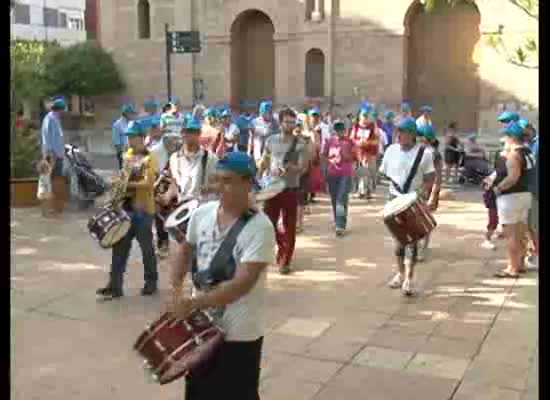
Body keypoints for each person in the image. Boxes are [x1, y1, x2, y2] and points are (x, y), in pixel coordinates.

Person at [168, 151, 275, 400]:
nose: (218, 187)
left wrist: (193, 303)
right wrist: (175, 290)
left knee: (238, 394)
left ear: (247, 183)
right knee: (197, 390)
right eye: (216, 179)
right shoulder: (202, 213)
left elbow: (242, 284)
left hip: (239, 332)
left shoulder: (261, 227)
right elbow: (185, 249)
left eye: (227, 180)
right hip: (200, 327)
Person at [96, 121, 159, 299]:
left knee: (146, 248)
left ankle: (151, 283)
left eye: (133, 137)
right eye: (128, 137)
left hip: (143, 210)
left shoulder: (150, 157)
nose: (130, 140)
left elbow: (148, 183)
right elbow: (122, 176)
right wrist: (116, 189)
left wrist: (125, 183)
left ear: (141, 137)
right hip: (126, 209)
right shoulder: (127, 155)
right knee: (119, 248)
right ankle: (115, 286)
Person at [380, 117, 435, 296]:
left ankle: (409, 278)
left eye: (402, 131)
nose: (399, 135)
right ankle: (400, 273)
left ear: (412, 135)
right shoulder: (391, 150)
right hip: (394, 198)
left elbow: (430, 179)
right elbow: (385, 174)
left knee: (411, 241)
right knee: (398, 242)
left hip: (412, 200)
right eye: (398, 131)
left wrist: (423, 197)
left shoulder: (424, 154)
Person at [257, 108, 306, 274]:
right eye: (286, 121)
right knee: (268, 224)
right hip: (271, 188)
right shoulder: (271, 140)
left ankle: (286, 259)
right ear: (280, 122)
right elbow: (265, 160)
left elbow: (302, 167)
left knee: (289, 225)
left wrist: (290, 168)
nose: (290, 125)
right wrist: (257, 175)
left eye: (292, 122)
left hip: (290, 188)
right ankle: (282, 247)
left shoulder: (300, 143)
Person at [492, 122, 535, 278]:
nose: (503, 138)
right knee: (521, 233)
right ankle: (520, 264)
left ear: (511, 137)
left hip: (511, 198)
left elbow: (512, 177)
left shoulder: (514, 155)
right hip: (525, 195)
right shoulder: (527, 151)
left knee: (511, 235)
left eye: (505, 135)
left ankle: (512, 267)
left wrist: (498, 188)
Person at [158, 119, 219, 208]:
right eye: (186, 131)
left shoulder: (211, 158)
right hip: (182, 210)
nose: (189, 135)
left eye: (193, 132)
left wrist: (209, 188)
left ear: (199, 133)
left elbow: (221, 184)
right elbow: (175, 184)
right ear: (182, 133)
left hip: (203, 209)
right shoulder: (174, 158)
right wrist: (166, 197)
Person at [150, 129, 182, 258]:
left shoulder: (179, 151)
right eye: (172, 143)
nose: (174, 146)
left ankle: (183, 246)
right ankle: (163, 245)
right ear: (165, 142)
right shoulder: (155, 152)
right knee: (160, 218)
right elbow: (154, 173)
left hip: (177, 187)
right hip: (160, 187)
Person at [322, 120, 355, 236]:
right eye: (337, 129)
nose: (339, 131)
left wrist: (348, 156)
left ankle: (340, 225)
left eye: (341, 129)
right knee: (334, 198)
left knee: (341, 198)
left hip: (345, 173)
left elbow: (355, 155)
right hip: (332, 173)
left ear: (344, 130)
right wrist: (325, 170)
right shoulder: (329, 141)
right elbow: (324, 155)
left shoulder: (349, 141)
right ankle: (337, 221)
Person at [417, 124, 442, 261]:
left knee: (424, 220)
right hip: (417, 190)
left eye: (421, 136)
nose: (419, 138)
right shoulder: (417, 151)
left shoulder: (434, 154)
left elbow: (438, 177)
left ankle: (423, 248)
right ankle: (418, 246)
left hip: (428, 191)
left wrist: (433, 195)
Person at [40, 97, 67, 214]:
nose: (63, 112)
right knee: (48, 180)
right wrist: (50, 153)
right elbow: (46, 137)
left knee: (56, 180)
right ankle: (46, 208)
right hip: (52, 155)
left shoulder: (56, 118)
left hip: (58, 155)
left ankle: (55, 206)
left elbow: (58, 137)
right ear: (59, 109)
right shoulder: (50, 118)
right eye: (63, 110)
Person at [519, 119, 538, 270]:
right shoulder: (530, 145)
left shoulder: (535, 145)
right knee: (529, 225)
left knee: (533, 225)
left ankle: (535, 254)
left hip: (534, 190)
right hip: (529, 189)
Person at [351, 108, 380, 199]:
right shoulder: (355, 126)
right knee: (359, 172)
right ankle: (361, 191)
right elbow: (351, 139)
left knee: (368, 172)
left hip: (369, 153)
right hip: (358, 153)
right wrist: (357, 142)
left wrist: (368, 142)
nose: (365, 117)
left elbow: (377, 141)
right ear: (359, 116)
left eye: (366, 115)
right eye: (363, 115)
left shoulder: (372, 126)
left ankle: (366, 191)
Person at [250, 101, 281, 166]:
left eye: (269, 112)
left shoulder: (276, 122)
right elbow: (252, 138)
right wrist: (249, 151)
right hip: (259, 151)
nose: (267, 114)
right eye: (264, 112)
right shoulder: (254, 122)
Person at [112, 103, 137, 169]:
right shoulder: (117, 124)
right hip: (124, 153)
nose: (133, 115)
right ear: (126, 113)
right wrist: (122, 155)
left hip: (133, 153)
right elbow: (116, 142)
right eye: (131, 113)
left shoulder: (132, 123)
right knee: (125, 174)